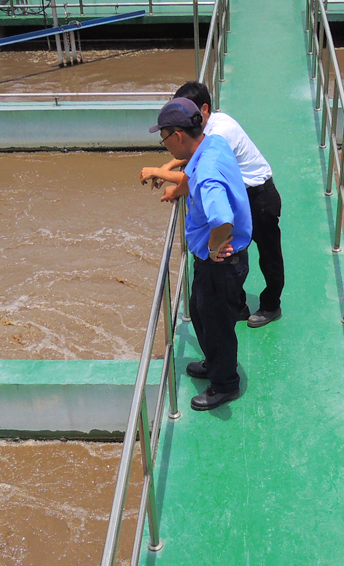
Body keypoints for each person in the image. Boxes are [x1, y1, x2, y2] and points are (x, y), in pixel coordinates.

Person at [140, 82, 284, 329]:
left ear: (204, 110)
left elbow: (199, 172)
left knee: (266, 255)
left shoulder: (220, 133)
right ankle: (238, 305)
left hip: (259, 195)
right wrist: (168, 167)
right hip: (239, 193)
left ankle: (271, 305)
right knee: (235, 251)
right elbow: (193, 151)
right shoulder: (210, 125)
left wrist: (164, 176)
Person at [150, 97, 252, 411]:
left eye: (164, 137)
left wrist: (211, 249)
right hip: (219, 262)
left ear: (178, 136)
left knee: (217, 323)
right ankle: (213, 363)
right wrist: (178, 189)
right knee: (200, 310)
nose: (165, 144)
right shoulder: (213, 144)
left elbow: (222, 219)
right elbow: (192, 179)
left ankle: (225, 385)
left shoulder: (206, 171)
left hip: (219, 263)